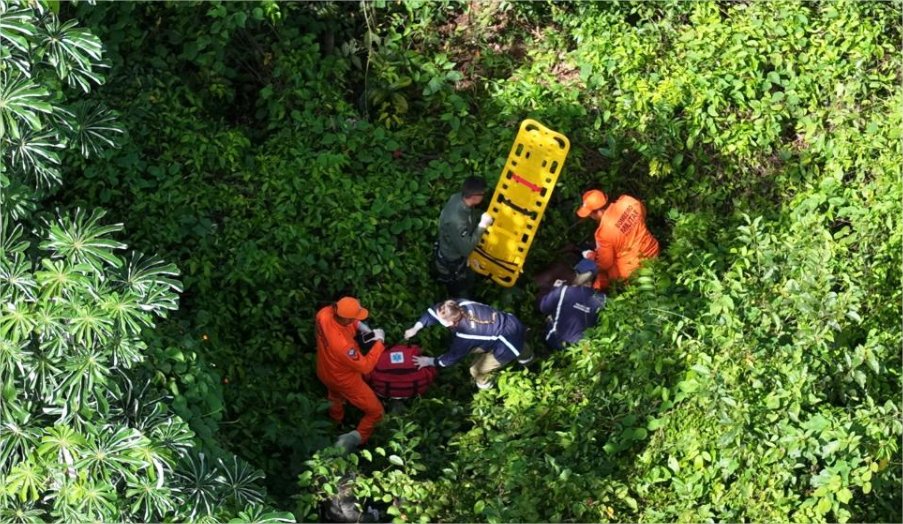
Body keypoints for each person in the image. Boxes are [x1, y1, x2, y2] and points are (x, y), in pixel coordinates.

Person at [403, 299, 533, 390]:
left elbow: (452, 357)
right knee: (519, 343)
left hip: (507, 344)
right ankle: (529, 360)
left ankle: (486, 387)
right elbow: (432, 312)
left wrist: (430, 361)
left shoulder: (466, 335)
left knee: (476, 370)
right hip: (512, 322)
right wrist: (416, 328)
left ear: (449, 323)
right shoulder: (458, 304)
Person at [315, 296, 386, 451]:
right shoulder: (343, 346)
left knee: (335, 397)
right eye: (355, 317)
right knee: (376, 412)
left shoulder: (323, 314)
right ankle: (355, 438)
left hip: (325, 371)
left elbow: (344, 323)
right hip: (345, 379)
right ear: (346, 319)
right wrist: (379, 342)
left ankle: (335, 423)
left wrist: (359, 325)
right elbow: (365, 366)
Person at [576, 189, 660, 291]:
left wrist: (594, 256)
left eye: (590, 214)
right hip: (652, 251)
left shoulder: (603, 233)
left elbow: (605, 264)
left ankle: (598, 295)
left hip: (633, 271)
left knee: (602, 274)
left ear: (595, 213)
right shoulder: (628, 201)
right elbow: (643, 214)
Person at [435, 177, 494, 298]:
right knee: (461, 291)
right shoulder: (456, 221)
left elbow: (470, 215)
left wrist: (481, 215)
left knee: (470, 279)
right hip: (452, 263)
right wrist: (482, 225)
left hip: (458, 253)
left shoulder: (458, 198)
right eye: (482, 194)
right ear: (475, 197)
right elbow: (466, 249)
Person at [538, 259, 606, 351]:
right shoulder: (602, 300)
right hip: (580, 348)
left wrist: (554, 291)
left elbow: (543, 308)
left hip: (554, 341)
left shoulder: (563, 290)